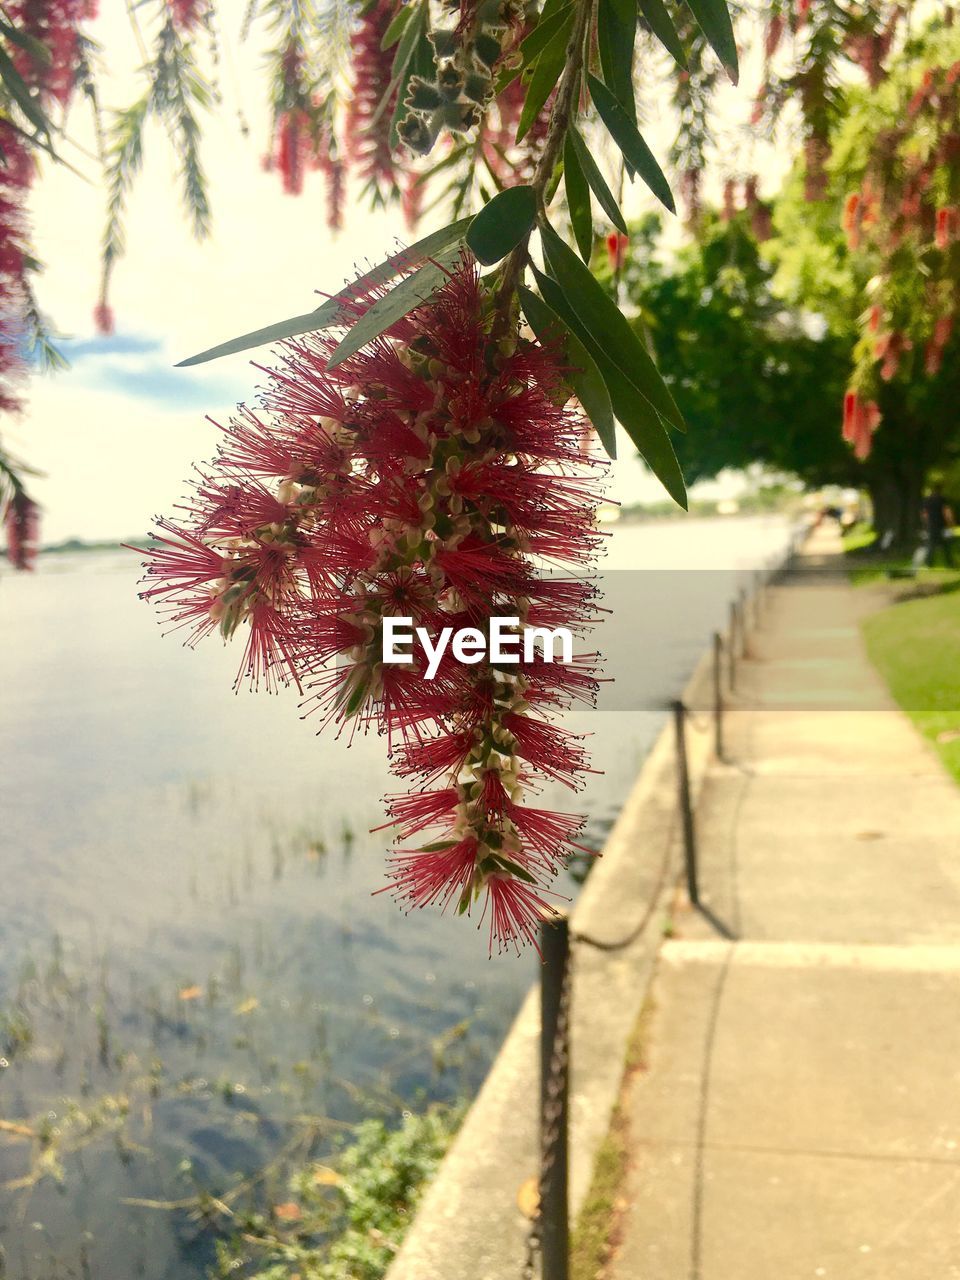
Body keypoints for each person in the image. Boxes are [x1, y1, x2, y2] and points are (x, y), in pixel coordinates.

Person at [921, 483, 956, 568]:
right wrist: (951, 522)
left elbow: (924, 514)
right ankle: (950, 563)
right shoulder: (942, 499)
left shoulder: (927, 500)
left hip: (931, 525)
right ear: (940, 490)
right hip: (941, 525)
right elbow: (946, 512)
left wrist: (926, 523)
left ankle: (928, 563)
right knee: (946, 545)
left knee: (930, 545)